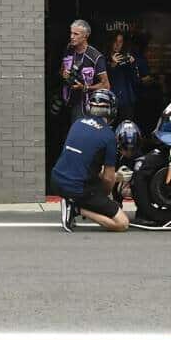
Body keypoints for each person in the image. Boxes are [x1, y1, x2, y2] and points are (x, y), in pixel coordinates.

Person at [51, 89, 129, 233]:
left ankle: (73, 203)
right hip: (77, 188)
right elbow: (108, 178)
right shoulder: (108, 136)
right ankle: (76, 209)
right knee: (122, 223)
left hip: (57, 181)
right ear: (112, 110)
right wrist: (104, 197)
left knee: (94, 171)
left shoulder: (77, 123)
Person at [60, 20, 110, 119]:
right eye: (71, 33)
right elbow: (61, 69)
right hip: (68, 101)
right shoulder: (68, 49)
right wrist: (63, 73)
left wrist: (84, 87)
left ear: (85, 36)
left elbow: (106, 85)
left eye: (76, 34)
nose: (72, 37)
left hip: (88, 107)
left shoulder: (95, 56)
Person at [108, 31, 147, 124]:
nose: (117, 45)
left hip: (126, 100)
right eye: (115, 41)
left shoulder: (126, 59)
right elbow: (103, 78)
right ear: (110, 42)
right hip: (110, 101)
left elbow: (136, 80)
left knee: (126, 127)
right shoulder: (103, 58)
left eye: (120, 42)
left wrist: (132, 64)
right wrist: (113, 65)